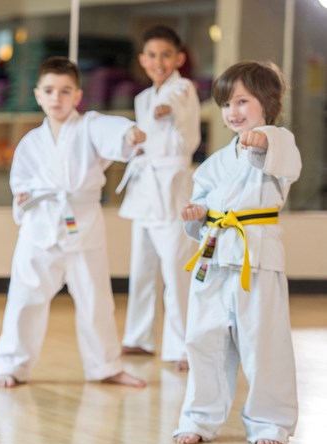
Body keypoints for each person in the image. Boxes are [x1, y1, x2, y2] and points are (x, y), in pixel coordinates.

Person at [0, 57, 147, 389]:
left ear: (77, 95)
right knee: (24, 297)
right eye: (49, 90)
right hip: (40, 224)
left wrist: (129, 133)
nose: (56, 98)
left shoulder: (89, 125)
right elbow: (20, 181)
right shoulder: (31, 141)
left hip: (82, 221)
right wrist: (22, 197)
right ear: (37, 95)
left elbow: (110, 130)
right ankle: (11, 364)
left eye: (65, 91)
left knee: (95, 297)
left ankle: (105, 365)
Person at [173, 61, 300, 444]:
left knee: (264, 343)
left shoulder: (279, 141)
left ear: (268, 103)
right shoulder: (213, 164)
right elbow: (199, 208)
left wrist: (264, 144)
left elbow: (286, 164)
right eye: (227, 104)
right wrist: (194, 216)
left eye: (242, 101)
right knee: (203, 339)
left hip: (256, 256)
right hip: (213, 255)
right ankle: (199, 417)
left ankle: (269, 423)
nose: (233, 112)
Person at [118, 26, 201, 371]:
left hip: (172, 188)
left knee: (175, 269)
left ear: (179, 58)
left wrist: (166, 109)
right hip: (145, 189)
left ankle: (182, 346)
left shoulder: (182, 88)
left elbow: (174, 105)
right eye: (151, 55)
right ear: (142, 60)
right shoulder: (141, 98)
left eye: (166, 55)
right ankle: (138, 337)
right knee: (142, 268)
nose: (158, 62)